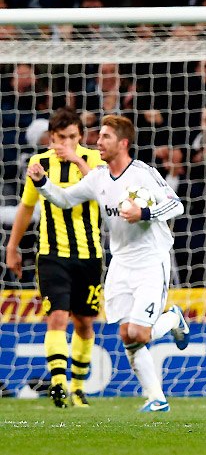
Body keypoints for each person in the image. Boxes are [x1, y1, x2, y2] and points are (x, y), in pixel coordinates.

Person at [26, 115, 189, 412]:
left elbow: (175, 204)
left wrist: (144, 213)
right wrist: (42, 183)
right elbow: (64, 199)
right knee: (127, 335)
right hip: (121, 263)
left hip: (151, 260)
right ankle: (157, 399)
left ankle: (173, 319)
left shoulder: (143, 173)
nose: (98, 142)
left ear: (123, 143)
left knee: (139, 333)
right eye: (99, 136)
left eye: (105, 137)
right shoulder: (98, 177)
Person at [5, 108, 102, 408]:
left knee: (84, 323)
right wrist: (12, 247)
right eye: (61, 138)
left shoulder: (94, 160)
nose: (66, 143)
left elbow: (103, 192)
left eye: (72, 137)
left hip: (89, 255)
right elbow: (26, 207)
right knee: (57, 317)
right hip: (51, 254)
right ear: (51, 138)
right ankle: (58, 385)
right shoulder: (39, 163)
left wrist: (76, 159)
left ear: (81, 136)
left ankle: (78, 388)